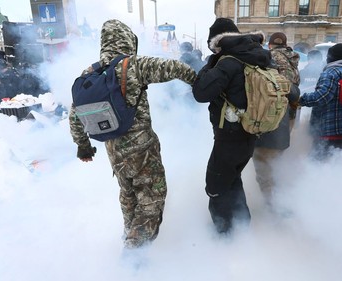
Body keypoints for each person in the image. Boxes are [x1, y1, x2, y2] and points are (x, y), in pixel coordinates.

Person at [69, 19, 197, 250]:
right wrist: (199, 84)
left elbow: (75, 116)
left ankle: (129, 234)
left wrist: (83, 147)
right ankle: (134, 254)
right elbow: (176, 68)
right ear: (128, 40)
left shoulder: (90, 73)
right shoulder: (133, 65)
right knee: (151, 198)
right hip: (142, 148)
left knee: (128, 195)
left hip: (113, 150)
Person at [192, 18, 272, 234]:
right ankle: (241, 226)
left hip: (230, 136)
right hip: (250, 132)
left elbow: (200, 93)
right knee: (232, 179)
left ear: (216, 42)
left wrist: (209, 65)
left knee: (216, 186)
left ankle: (225, 234)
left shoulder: (228, 61)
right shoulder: (257, 56)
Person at [252, 32, 300, 206]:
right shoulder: (293, 58)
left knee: (264, 166)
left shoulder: (268, 61)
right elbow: (294, 92)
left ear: (270, 45)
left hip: (270, 121)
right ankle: (280, 201)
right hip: (287, 118)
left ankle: (274, 207)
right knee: (276, 163)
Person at [298, 43, 342, 160]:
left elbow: (321, 97)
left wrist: (300, 99)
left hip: (329, 129)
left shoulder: (331, 72)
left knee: (319, 163)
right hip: (339, 129)